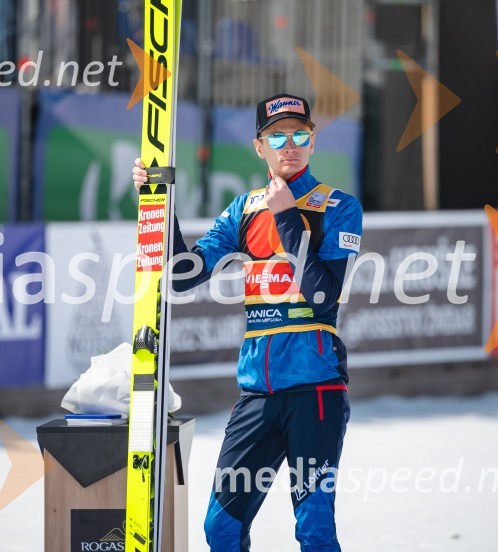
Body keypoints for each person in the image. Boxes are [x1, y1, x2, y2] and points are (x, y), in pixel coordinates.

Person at [132, 93, 363, 552]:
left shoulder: (338, 205)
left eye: (300, 133)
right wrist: (159, 200)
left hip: (316, 393)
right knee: (220, 529)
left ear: (313, 141)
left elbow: (322, 296)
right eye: (277, 135)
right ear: (260, 146)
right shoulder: (243, 209)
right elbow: (182, 277)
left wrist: (288, 218)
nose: (289, 144)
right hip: (257, 397)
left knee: (315, 532)